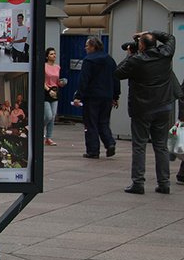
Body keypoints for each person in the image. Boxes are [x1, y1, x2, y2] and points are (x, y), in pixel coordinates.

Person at [115, 30, 183, 194]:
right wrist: (150, 32)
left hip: (142, 109)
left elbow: (117, 73)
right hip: (164, 106)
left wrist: (130, 55)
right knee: (161, 146)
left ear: (142, 46)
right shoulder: (165, 55)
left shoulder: (136, 61)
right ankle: (164, 183)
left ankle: (138, 183)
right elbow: (170, 37)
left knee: (139, 146)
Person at [74, 35, 120, 160]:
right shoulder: (110, 60)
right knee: (103, 122)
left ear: (93, 47)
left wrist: (78, 96)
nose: (85, 48)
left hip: (92, 97)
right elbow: (116, 78)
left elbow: (84, 80)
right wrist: (115, 96)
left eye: (87, 45)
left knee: (91, 124)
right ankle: (110, 143)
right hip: (107, 97)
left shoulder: (89, 61)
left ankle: (93, 151)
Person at [44, 47, 61, 146]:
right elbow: (42, 80)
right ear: (47, 56)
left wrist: (61, 83)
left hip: (55, 92)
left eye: (54, 54)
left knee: (53, 116)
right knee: (48, 115)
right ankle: (37, 129)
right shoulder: (44, 66)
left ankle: (48, 137)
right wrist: (49, 90)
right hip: (46, 91)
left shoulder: (58, 67)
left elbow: (57, 80)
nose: (54, 55)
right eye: (51, 54)